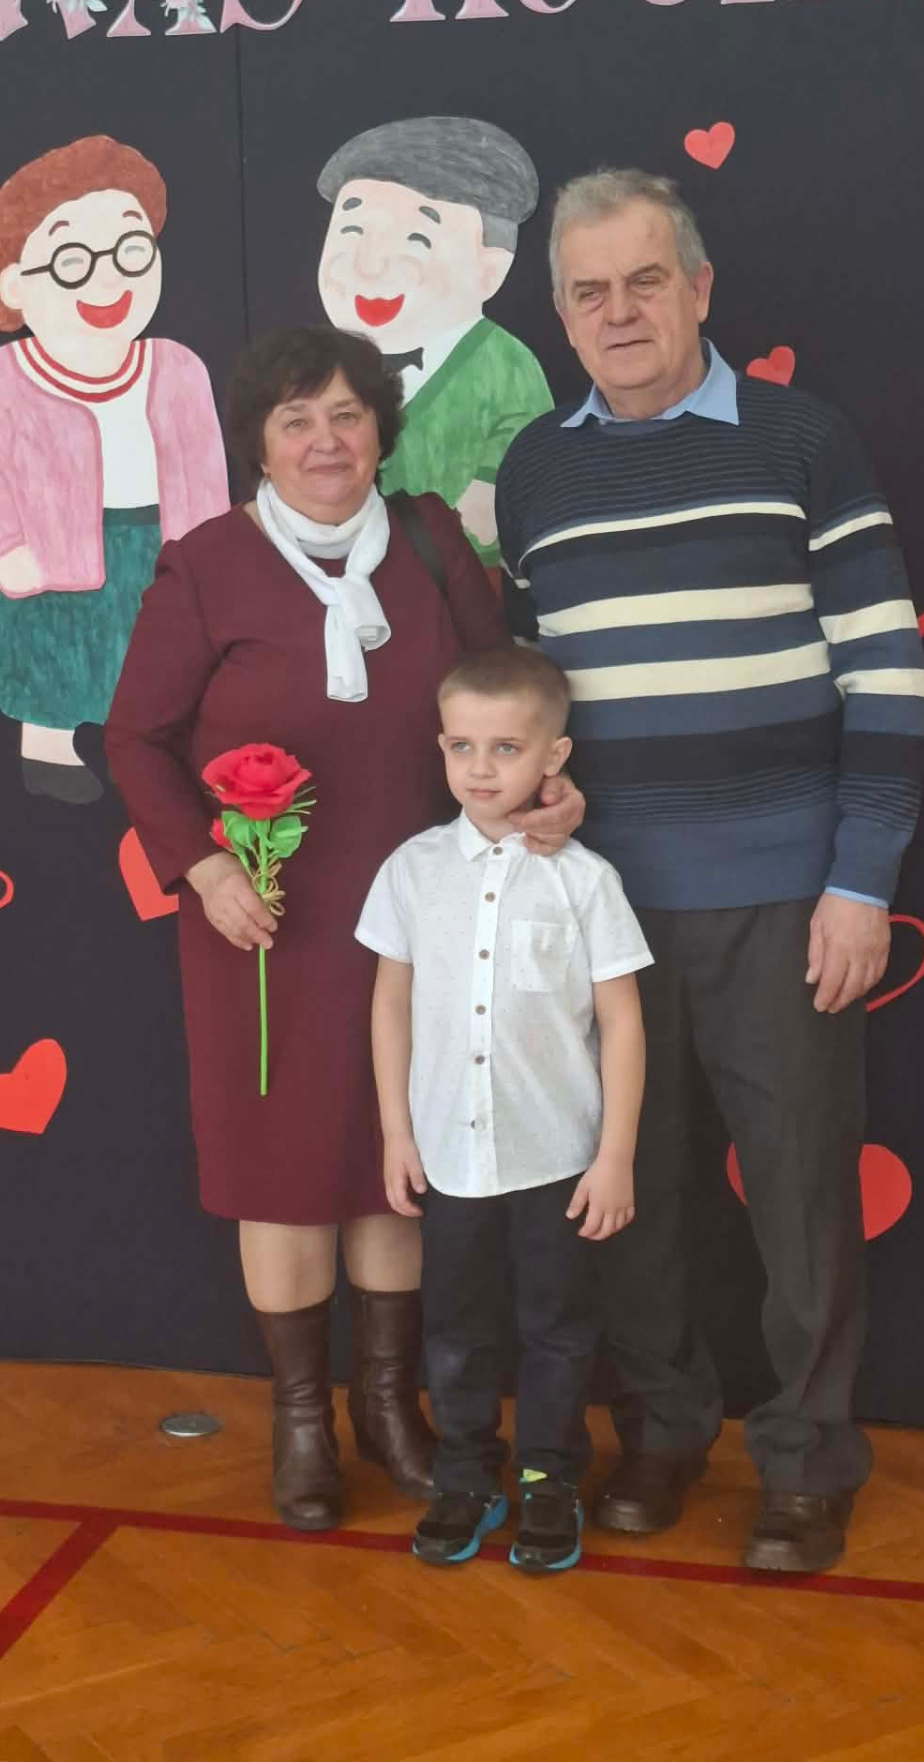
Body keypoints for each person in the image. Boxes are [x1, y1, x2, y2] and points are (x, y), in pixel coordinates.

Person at [495, 169, 924, 1575]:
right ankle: (666, 1433)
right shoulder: (535, 472)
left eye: (643, 281)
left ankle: (806, 1462)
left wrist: (861, 883)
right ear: (561, 312)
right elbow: (529, 695)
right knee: (634, 1193)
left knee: (801, 1199)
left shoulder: (803, 440)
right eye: (587, 292)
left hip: (786, 901)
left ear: (698, 287)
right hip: (605, 909)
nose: (617, 313)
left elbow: (887, 675)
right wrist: (543, 790)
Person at [104, 327, 584, 1532]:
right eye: (296, 420)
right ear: (259, 444)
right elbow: (135, 740)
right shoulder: (208, 564)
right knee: (282, 1166)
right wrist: (203, 868)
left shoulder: (429, 541)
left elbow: (503, 703)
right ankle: (302, 1420)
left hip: (422, 917)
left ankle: (388, 1405)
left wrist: (545, 791)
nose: (326, 441)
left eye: (347, 415)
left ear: (381, 429)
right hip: (264, 923)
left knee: (393, 1159)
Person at [359, 647, 650, 1575]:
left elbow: (621, 1021)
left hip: (557, 1156)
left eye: (506, 748)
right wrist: (398, 1132)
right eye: (461, 746)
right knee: (455, 1328)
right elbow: (391, 1002)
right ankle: (465, 1477)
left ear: (553, 756)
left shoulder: (585, 880)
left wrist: (615, 1155)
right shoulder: (411, 871)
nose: (480, 769)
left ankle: (548, 1480)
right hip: (450, 1156)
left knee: (558, 1330)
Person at [0, 134, 228, 804]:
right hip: (45, 554)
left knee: (152, 658)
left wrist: (211, 556)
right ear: (15, 284)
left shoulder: (178, 368)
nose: (109, 280)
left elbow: (205, 469)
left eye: (130, 250)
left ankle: (153, 753)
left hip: (158, 543)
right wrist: (5, 549)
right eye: (72, 260)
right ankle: (48, 750)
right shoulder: (4, 376)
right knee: (53, 659)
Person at [316, 116, 553, 565]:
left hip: (465, 580)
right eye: (351, 232)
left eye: (416, 239)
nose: (370, 266)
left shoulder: (506, 364)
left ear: (491, 268)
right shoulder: (322, 369)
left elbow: (516, 467)